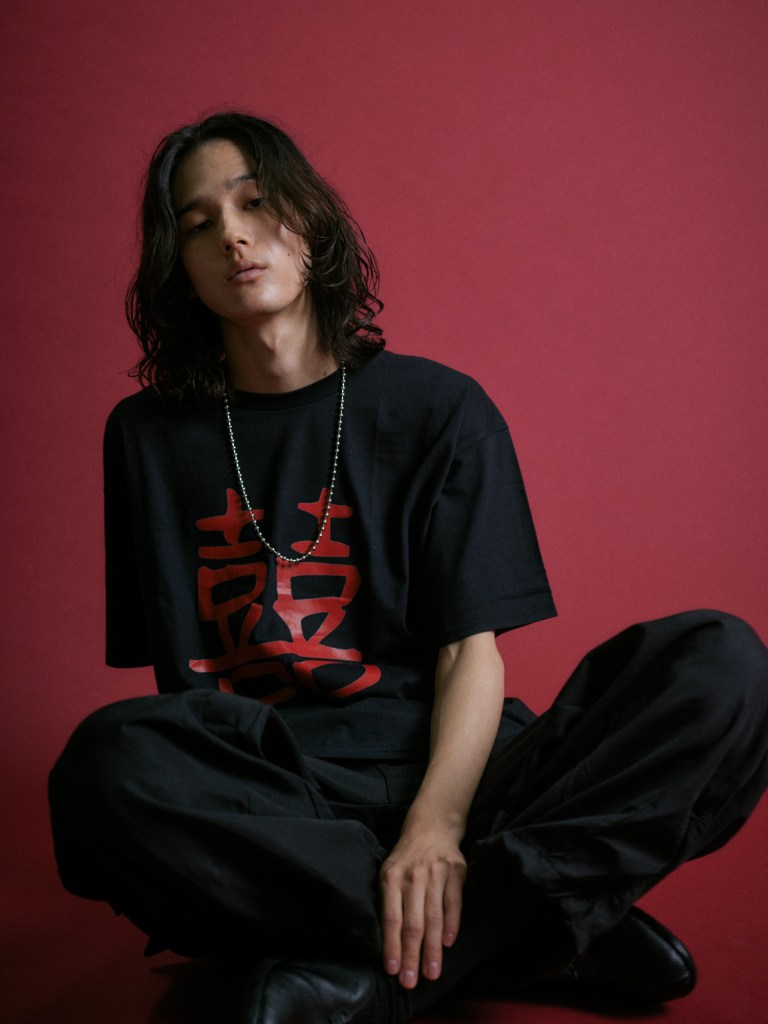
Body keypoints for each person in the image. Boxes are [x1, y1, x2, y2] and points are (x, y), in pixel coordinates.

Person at [49, 112, 768, 1024]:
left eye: (256, 203)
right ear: (178, 267)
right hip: (283, 802)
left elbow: (470, 654)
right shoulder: (146, 438)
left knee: (721, 663)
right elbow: (179, 684)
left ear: (310, 221)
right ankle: (531, 925)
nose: (231, 234)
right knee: (105, 764)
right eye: (198, 223)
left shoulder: (439, 409)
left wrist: (436, 826)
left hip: (466, 776)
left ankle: (393, 961)